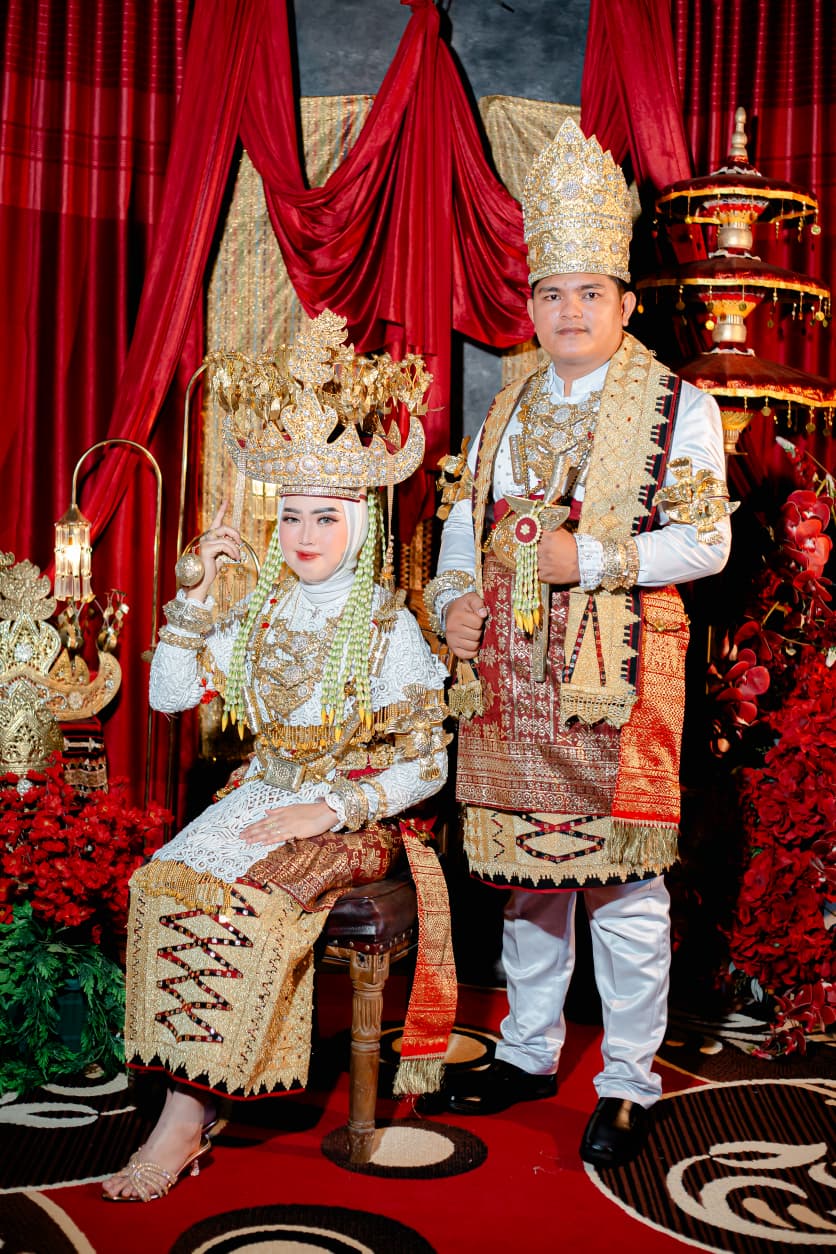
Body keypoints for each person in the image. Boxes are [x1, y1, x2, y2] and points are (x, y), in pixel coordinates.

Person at [424, 119, 733, 1167]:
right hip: (508, 676)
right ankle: (525, 1049)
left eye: (588, 293)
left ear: (626, 302)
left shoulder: (680, 407)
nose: (568, 311)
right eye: (551, 293)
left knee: (621, 885)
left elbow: (706, 542)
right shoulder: (504, 404)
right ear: (530, 305)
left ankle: (629, 1082)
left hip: (617, 675)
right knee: (529, 876)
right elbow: (461, 525)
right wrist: (450, 604)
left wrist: (587, 558)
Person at [103, 313, 453, 1201]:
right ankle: (192, 1087)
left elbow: (427, 763)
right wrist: (192, 593)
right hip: (260, 792)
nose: (303, 533)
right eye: (290, 513)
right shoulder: (258, 614)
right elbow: (168, 694)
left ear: (357, 521)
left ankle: (184, 1119)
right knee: (160, 884)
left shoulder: (388, 627)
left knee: (245, 904)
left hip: (351, 813)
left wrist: (332, 809)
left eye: (324, 515)